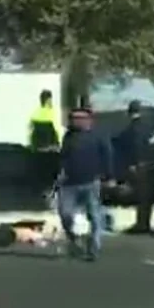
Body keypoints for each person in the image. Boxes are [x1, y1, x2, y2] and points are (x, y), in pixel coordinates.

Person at [57, 107, 114, 262]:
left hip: (91, 182)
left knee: (94, 215)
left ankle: (94, 247)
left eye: (79, 118)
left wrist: (108, 176)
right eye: (73, 118)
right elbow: (63, 157)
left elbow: (107, 155)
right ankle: (74, 240)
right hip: (69, 183)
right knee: (65, 214)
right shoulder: (69, 136)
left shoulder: (98, 136)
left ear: (88, 120)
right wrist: (60, 173)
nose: (75, 121)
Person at [114, 100, 154, 233]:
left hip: (138, 165)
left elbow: (132, 147)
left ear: (129, 113)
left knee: (141, 196)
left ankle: (142, 224)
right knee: (147, 197)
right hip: (150, 164)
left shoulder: (130, 130)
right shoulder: (147, 128)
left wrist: (131, 164)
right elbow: (151, 145)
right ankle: (145, 223)